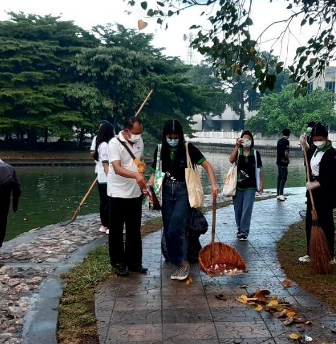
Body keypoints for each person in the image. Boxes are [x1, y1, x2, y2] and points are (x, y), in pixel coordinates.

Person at [150, 120, 218, 280]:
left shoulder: (188, 149)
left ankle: (182, 263)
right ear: (165, 136)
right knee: (168, 230)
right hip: (166, 191)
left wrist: (214, 184)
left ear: (180, 136)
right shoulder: (159, 150)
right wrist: (148, 185)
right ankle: (177, 262)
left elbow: (207, 165)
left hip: (183, 191)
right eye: (170, 136)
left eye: (176, 137)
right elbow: (154, 173)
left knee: (176, 227)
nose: (173, 140)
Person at [107, 117, 147, 277]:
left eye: (140, 133)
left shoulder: (140, 141)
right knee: (116, 230)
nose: (138, 135)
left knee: (134, 229)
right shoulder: (114, 143)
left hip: (135, 193)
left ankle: (134, 263)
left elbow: (140, 161)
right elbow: (116, 168)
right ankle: (118, 263)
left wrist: (142, 180)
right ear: (126, 130)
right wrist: (135, 176)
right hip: (117, 192)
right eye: (135, 133)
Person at [298, 123, 336, 264]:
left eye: (319, 138)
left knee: (326, 223)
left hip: (325, 193)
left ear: (326, 138)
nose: (317, 141)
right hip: (313, 193)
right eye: (314, 138)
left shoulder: (331, 153)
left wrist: (316, 184)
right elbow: (308, 156)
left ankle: (330, 255)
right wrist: (304, 145)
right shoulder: (315, 149)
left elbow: (329, 177)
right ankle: (311, 252)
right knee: (311, 222)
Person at [228, 130, 263, 241]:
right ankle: (239, 228)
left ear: (252, 140)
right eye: (244, 139)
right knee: (238, 209)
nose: (247, 141)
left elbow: (259, 169)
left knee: (247, 209)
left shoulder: (255, 153)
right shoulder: (238, 152)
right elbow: (231, 160)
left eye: (249, 139)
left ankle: (244, 232)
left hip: (250, 186)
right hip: (237, 185)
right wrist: (236, 146)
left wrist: (261, 183)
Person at [95, 122, 115, 234]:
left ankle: (105, 224)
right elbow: (105, 162)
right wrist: (110, 176)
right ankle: (106, 224)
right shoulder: (104, 145)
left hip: (103, 177)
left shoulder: (104, 144)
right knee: (107, 202)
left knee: (105, 202)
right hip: (106, 178)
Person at [276, 128, 291, 201]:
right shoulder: (286, 141)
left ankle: (278, 194)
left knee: (279, 177)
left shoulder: (279, 141)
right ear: (289, 134)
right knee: (284, 177)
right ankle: (281, 194)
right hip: (283, 162)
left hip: (278, 161)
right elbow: (286, 153)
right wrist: (288, 159)